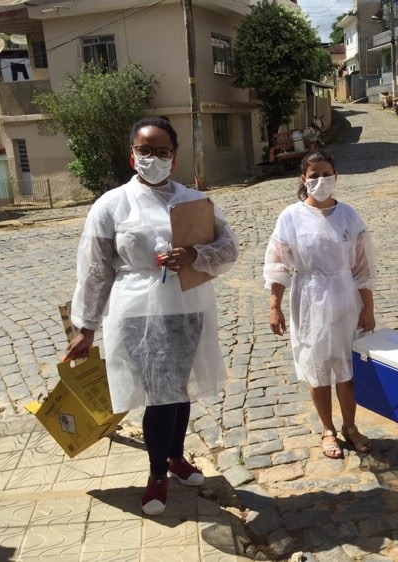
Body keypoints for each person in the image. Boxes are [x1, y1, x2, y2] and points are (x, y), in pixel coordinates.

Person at [64, 117, 239, 516]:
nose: (154, 158)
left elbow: (229, 246)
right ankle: (157, 473)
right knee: (158, 398)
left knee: (178, 389)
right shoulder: (111, 205)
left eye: (162, 152)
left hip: (186, 307)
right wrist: (85, 326)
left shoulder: (193, 201)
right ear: (132, 156)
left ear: (174, 160)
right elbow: (95, 268)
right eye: (146, 150)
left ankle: (175, 457)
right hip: (137, 311)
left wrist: (194, 255)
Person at [264, 148, 376, 459]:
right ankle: (327, 428)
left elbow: (363, 266)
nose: (321, 180)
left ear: (336, 176)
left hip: (346, 297)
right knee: (317, 367)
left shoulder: (348, 215)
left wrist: (368, 307)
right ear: (304, 179)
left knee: (348, 368)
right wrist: (275, 305)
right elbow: (278, 264)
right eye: (314, 176)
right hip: (309, 298)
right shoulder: (291, 217)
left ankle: (350, 426)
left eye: (327, 174)